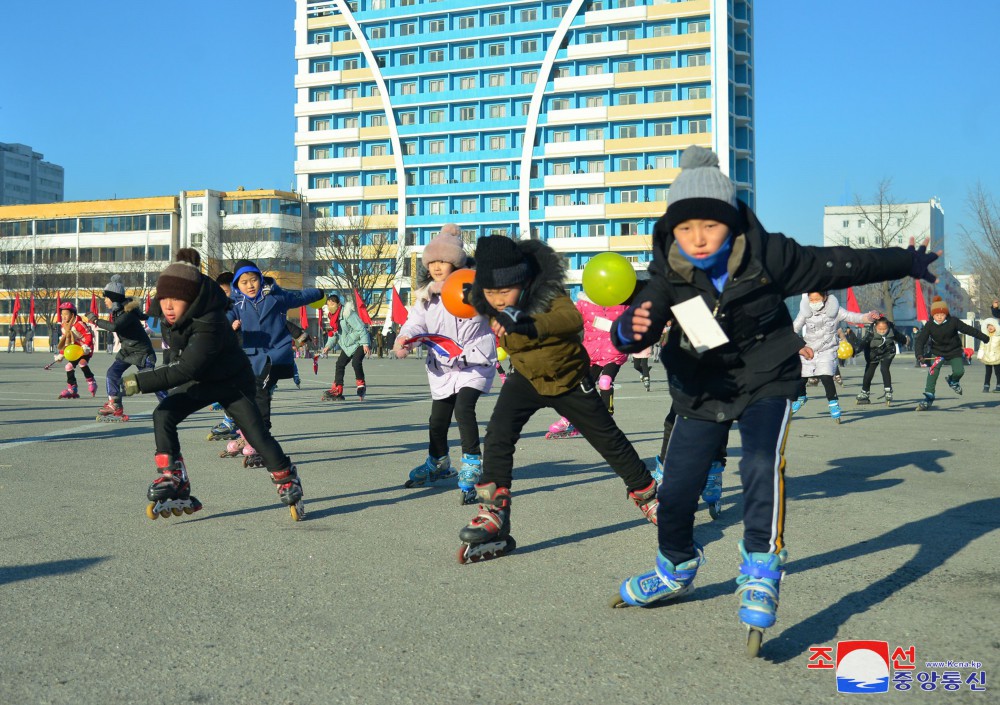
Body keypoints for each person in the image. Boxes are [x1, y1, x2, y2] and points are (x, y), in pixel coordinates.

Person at [605, 146, 939, 653]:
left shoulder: (771, 255)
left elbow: (840, 263)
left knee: (761, 462)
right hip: (703, 387)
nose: (698, 239)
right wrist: (632, 329)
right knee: (675, 489)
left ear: (731, 222)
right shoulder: (667, 274)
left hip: (767, 377)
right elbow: (637, 321)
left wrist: (907, 261)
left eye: (710, 227)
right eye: (686, 227)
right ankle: (675, 567)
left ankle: (761, 566)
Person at [456, 235, 660, 563]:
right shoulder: (487, 300)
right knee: (498, 434)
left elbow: (570, 320)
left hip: (568, 379)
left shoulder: (547, 293)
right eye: (490, 293)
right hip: (526, 379)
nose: (496, 300)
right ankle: (494, 511)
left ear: (522, 282)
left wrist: (526, 322)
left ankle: (648, 495)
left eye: (503, 291)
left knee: (608, 438)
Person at [121, 249, 305, 521]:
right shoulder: (170, 315)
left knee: (256, 435)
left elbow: (186, 368)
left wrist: (139, 381)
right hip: (203, 379)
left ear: (192, 298)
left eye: (177, 299)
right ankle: (175, 476)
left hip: (232, 383)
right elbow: (176, 355)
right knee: (164, 414)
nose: (169, 306)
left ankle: (287, 477)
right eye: (165, 299)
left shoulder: (211, 321)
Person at [394, 225, 496, 501]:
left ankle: (472, 463)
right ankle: (438, 462)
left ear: (457, 263)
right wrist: (405, 338)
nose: (438, 267)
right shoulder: (427, 296)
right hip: (443, 365)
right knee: (437, 420)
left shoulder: (477, 287)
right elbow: (415, 323)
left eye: (444, 261)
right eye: (433, 262)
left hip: (474, 362)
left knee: (464, 409)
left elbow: (499, 311)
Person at [227, 260, 323, 465]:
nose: (250, 285)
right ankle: (248, 433)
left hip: (276, 354)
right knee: (247, 395)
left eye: (253, 280)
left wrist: (319, 293)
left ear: (260, 279)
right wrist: (230, 325)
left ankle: (260, 439)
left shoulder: (275, 296)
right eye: (244, 282)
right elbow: (222, 318)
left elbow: (298, 297)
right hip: (251, 356)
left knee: (260, 391)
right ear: (237, 285)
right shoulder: (235, 303)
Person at [545, 291, 628, 440]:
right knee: (580, 386)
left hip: (613, 351)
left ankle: (606, 423)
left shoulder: (623, 303)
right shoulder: (585, 303)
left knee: (605, 381)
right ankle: (569, 419)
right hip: (592, 352)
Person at [87, 274, 164, 421]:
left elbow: (115, 327)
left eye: (106, 298)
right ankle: (115, 405)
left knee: (152, 382)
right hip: (128, 350)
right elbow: (141, 316)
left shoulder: (126, 313)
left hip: (142, 352)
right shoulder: (120, 311)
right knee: (112, 373)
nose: (105, 300)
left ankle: (171, 405)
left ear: (114, 298)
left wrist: (96, 320)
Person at [791, 293, 875, 422]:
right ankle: (801, 398)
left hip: (827, 349)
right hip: (809, 349)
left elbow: (852, 316)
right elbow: (794, 327)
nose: (814, 302)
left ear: (824, 298)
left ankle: (833, 404)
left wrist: (868, 317)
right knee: (800, 377)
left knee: (826, 376)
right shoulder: (805, 311)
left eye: (817, 299)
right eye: (811, 299)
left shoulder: (835, 310)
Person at [914, 297, 988, 410]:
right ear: (933, 315)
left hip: (954, 351)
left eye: (942, 315)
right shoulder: (929, 325)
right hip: (937, 352)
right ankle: (929, 395)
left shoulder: (953, 321)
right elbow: (921, 340)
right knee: (933, 372)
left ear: (946, 314)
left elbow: (968, 329)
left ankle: (953, 380)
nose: (939, 317)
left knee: (959, 371)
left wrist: (983, 337)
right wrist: (919, 354)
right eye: (936, 315)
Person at [322, 295, 371, 401]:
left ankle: (361, 385)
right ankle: (338, 390)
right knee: (339, 364)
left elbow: (361, 328)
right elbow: (334, 335)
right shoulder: (331, 317)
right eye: (328, 304)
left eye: (332, 304)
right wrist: (327, 347)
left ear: (338, 304)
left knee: (356, 362)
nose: (330, 306)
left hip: (358, 343)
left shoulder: (347, 313)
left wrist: (365, 343)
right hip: (347, 345)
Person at [854, 316, 908, 406]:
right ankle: (865, 392)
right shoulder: (871, 332)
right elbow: (863, 343)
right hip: (872, 353)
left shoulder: (892, 331)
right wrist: (855, 350)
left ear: (888, 327)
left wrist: (905, 340)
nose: (882, 331)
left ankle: (888, 391)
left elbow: (901, 338)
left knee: (884, 368)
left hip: (888, 352)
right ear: (875, 326)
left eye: (884, 329)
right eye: (880, 329)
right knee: (869, 371)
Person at [54, 302, 97, 399]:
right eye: (62, 314)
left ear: (72, 315)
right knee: (68, 366)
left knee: (82, 363)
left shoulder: (79, 324)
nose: (63, 317)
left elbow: (88, 335)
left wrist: (86, 346)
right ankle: (72, 388)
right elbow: (66, 342)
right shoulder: (63, 327)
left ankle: (91, 381)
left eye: (66, 314)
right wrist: (61, 354)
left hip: (85, 348)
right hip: (74, 350)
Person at [978, 317, 1000, 391]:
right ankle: (986, 385)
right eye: (988, 326)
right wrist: (980, 355)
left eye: (992, 325)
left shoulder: (998, 336)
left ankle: (998, 385)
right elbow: (982, 346)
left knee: (998, 372)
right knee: (988, 372)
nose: (990, 327)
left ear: (996, 327)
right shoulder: (984, 337)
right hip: (987, 357)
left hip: (997, 357)